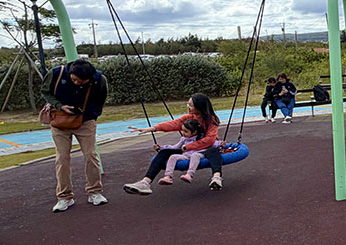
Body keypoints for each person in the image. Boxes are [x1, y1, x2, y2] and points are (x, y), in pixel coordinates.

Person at [40, 58, 110, 212]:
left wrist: (93, 115)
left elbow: (101, 98)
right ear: (70, 73)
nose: (78, 83)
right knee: (62, 158)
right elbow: (45, 91)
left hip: (85, 121)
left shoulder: (99, 80)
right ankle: (64, 197)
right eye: (74, 80)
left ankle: (95, 192)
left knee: (91, 154)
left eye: (82, 82)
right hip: (59, 120)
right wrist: (59, 106)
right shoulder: (56, 73)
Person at [123, 93, 224, 194]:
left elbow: (210, 139)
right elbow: (173, 124)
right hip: (188, 150)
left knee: (214, 151)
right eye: (188, 104)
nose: (188, 107)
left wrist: (188, 147)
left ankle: (216, 177)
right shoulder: (189, 118)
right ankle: (145, 182)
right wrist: (152, 129)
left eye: (191, 105)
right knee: (165, 152)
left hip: (205, 149)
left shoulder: (211, 119)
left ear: (199, 106)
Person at [156, 118, 206, 185]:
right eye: (183, 131)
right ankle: (168, 176)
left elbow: (212, 142)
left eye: (186, 131)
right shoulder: (184, 139)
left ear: (194, 132)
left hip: (199, 154)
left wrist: (220, 144)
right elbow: (175, 147)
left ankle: (189, 175)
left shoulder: (201, 138)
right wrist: (162, 147)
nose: (183, 133)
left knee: (195, 155)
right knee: (173, 156)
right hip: (186, 155)